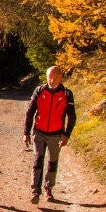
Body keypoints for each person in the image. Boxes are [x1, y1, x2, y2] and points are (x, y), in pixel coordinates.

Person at [24, 66, 76, 204]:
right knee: (37, 161)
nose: (52, 81)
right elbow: (30, 112)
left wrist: (66, 135)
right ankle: (35, 191)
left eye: (55, 78)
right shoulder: (39, 91)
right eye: (49, 78)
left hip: (56, 134)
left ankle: (48, 188)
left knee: (52, 162)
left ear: (61, 78)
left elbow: (72, 116)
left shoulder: (67, 94)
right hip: (39, 132)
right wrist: (26, 133)